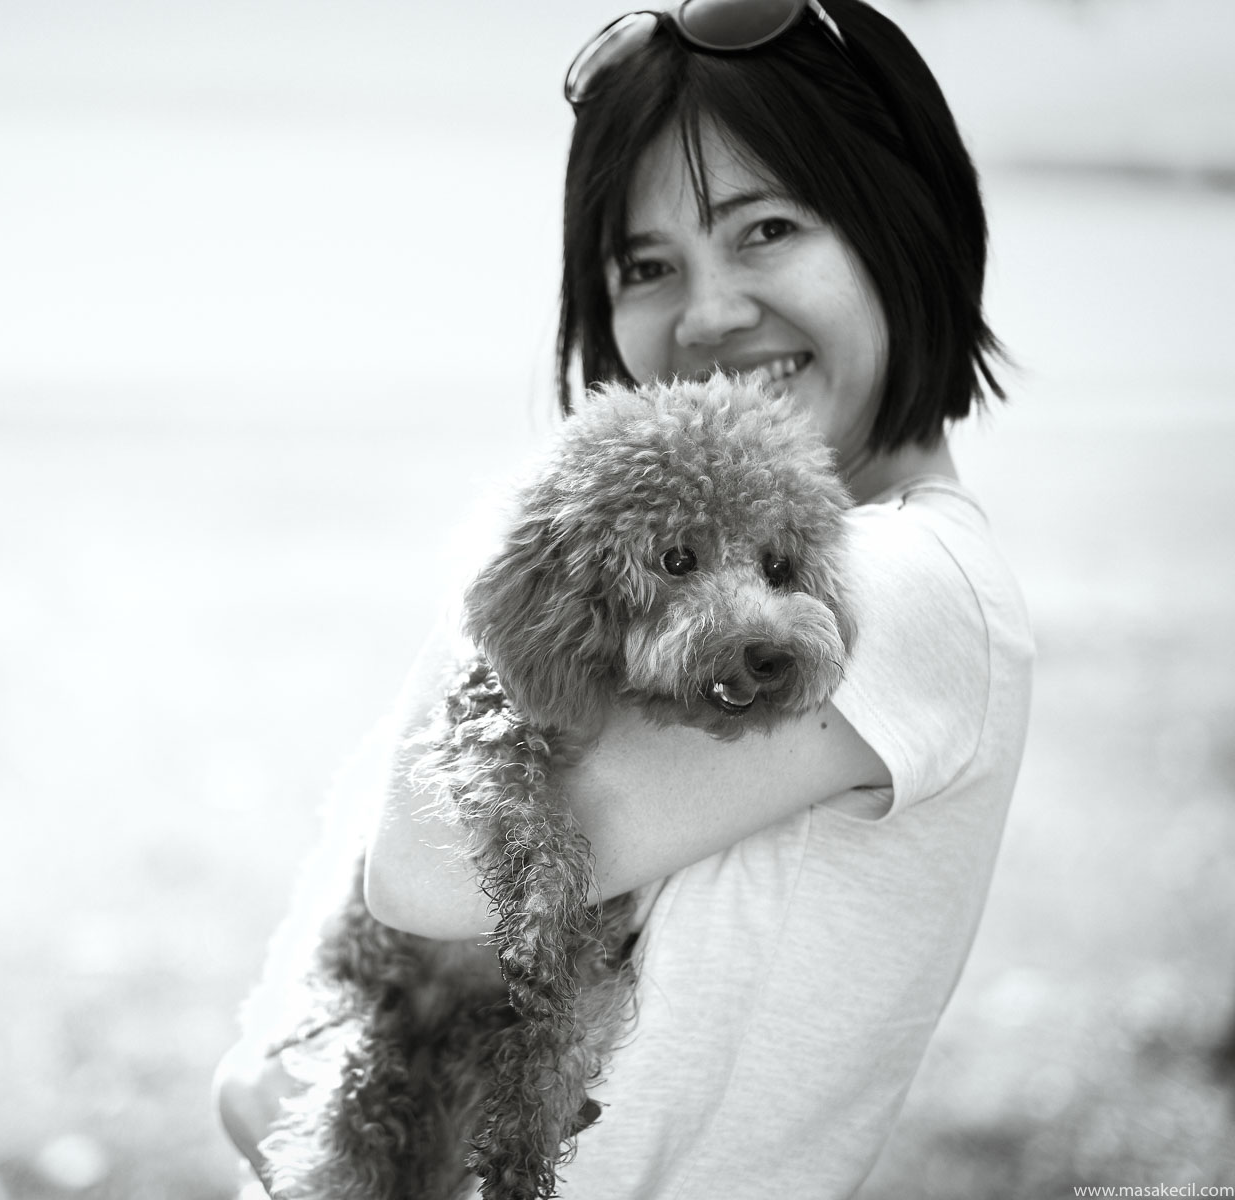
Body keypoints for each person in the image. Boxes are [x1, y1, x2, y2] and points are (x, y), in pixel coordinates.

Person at [217, 0, 1035, 1194]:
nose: (704, 318)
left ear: (904, 225)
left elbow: (423, 872)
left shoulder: (905, 585)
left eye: (765, 229)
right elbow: (282, 1054)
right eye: (646, 267)